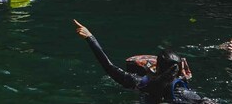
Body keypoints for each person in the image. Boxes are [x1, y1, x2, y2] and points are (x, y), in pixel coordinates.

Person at [73, 19, 218, 103]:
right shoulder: (183, 89)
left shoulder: (138, 82)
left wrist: (90, 37)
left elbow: (108, 66)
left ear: (156, 67)